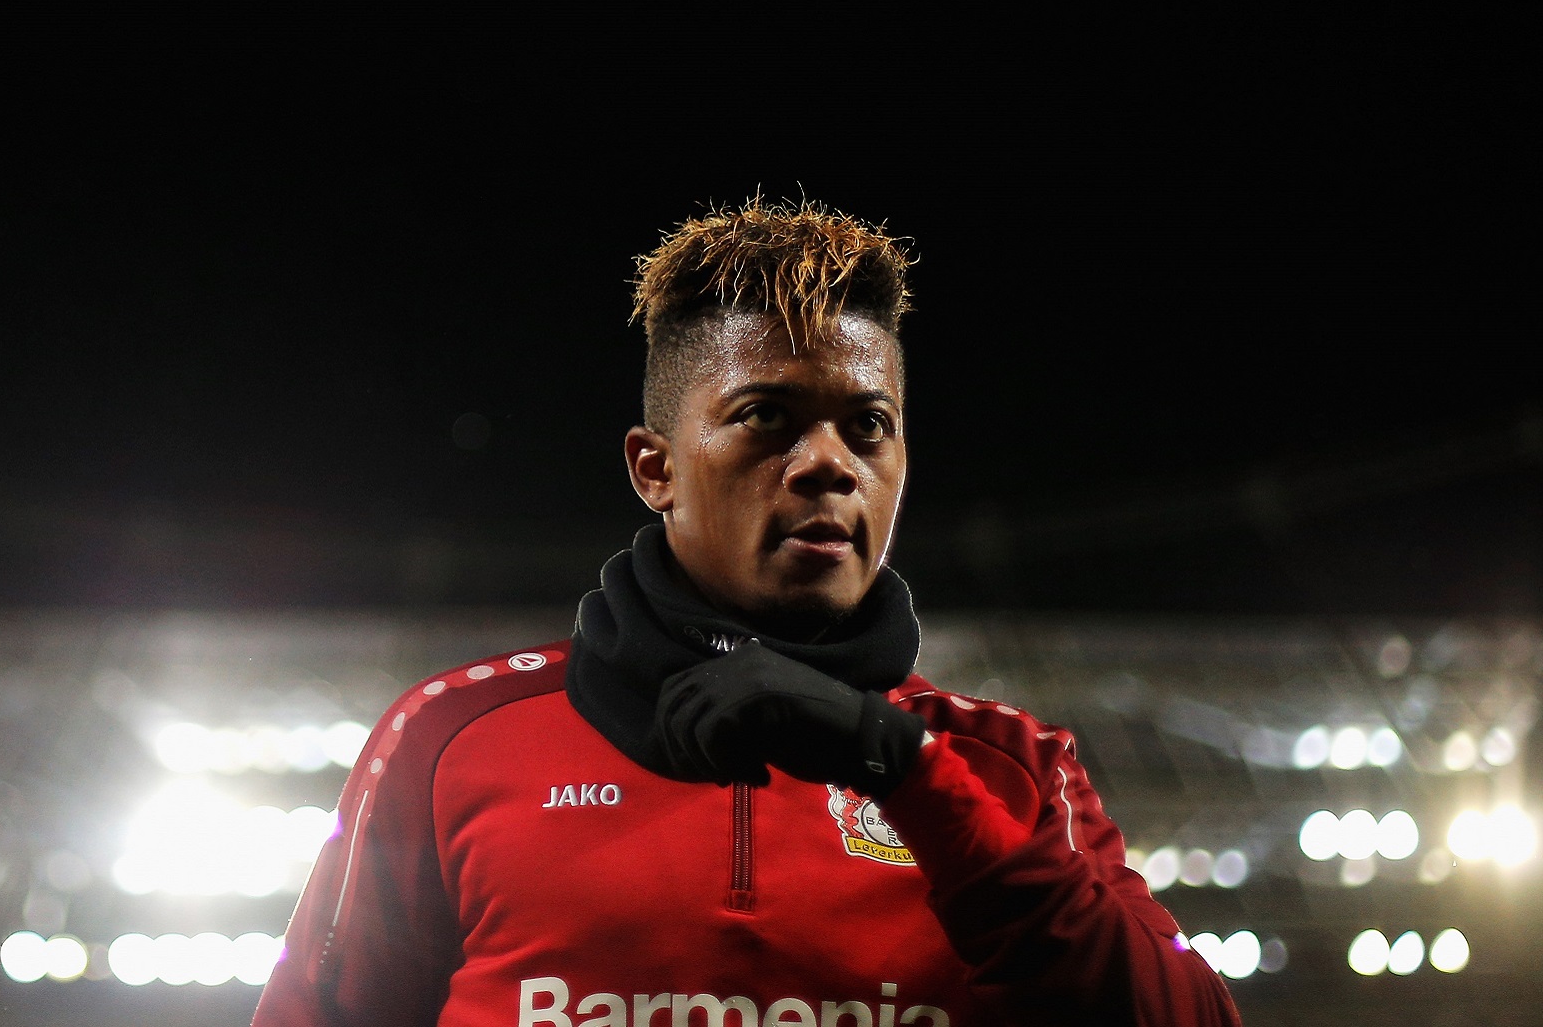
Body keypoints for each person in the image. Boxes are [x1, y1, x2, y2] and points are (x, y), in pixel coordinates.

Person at [252, 200, 1241, 1026]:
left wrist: (904, 769)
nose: (830, 463)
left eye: (869, 426)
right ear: (654, 468)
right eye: (767, 416)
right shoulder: (449, 739)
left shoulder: (1007, 769)